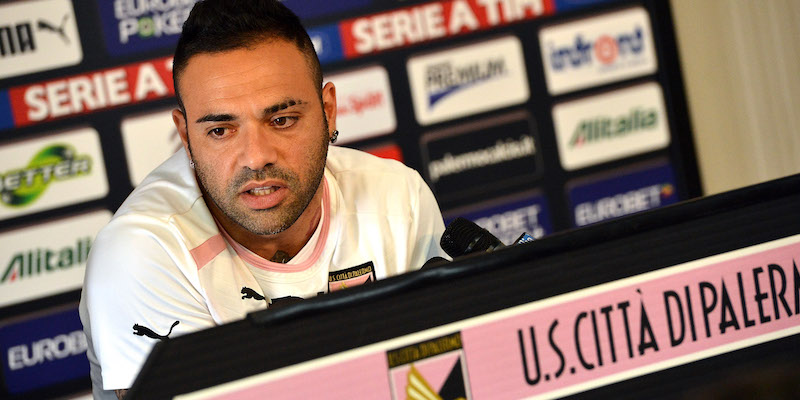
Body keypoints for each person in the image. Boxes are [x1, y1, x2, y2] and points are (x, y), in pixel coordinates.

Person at [79, 1, 447, 398]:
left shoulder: (398, 197)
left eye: (282, 120)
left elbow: (448, 368)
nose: (256, 157)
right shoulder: (142, 249)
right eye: (221, 130)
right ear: (185, 136)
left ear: (328, 111)